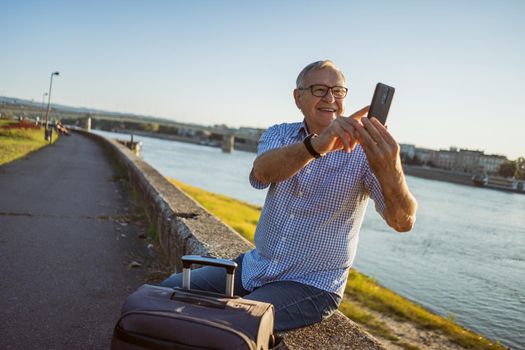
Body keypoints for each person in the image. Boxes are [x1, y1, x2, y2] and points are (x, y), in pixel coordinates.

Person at [161, 60, 417, 332]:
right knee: (167, 292)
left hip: (311, 285)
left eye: (338, 91)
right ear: (298, 97)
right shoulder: (280, 134)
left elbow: (403, 221)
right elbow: (262, 173)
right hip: (254, 268)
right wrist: (319, 144)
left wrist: (392, 170)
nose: (330, 98)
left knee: (235, 324)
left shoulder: (364, 155)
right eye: (319, 89)